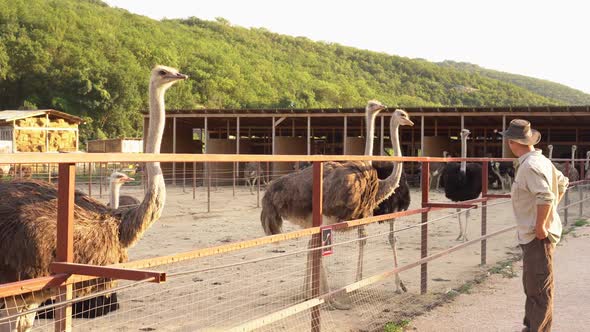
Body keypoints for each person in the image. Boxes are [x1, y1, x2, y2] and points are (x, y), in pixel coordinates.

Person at [502, 119, 568, 332]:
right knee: (537, 287)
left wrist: (541, 225)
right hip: (537, 235)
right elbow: (562, 182)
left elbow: (545, 196)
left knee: (538, 290)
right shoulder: (541, 161)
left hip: (536, 236)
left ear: (512, 142)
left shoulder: (529, 166)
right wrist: (549, 215)